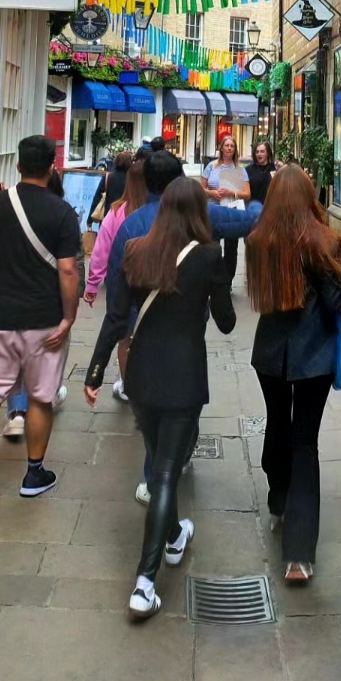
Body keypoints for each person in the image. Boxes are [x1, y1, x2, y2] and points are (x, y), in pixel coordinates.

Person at [83, 178, 235, 621]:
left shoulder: (137, 250)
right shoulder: (208, 256)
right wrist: (220, 276)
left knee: (158, 462)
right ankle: (144, 583)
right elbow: (226, 322)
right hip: (184, 376)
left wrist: (96, 371)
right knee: (165, 475)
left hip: (142, 377)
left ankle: (174, 535)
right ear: (199, 212)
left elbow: (116, 319)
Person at [94, 150, 259, 503]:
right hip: (187, 332)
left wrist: (104, 356)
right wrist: (262, 203)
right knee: (182, 399)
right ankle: (175, 459)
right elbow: (246, 222)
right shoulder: (200, 218)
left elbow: (116, 286)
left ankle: (157, 474)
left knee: (154, 416)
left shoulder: (131, 225)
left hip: (144, 332)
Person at [0, 135, 83, 518]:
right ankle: (33, 473)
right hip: (44, 321)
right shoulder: (62, 213)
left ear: (17, 165)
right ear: (51, 167)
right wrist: (68, 316)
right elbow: (67, 270)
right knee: (41, 398)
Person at [246, 165, 341, 585]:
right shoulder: (325, 242)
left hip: (271, 354)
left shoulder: (258, 240)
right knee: (304, 441)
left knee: (277, 421)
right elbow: (338, 305)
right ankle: (298, 555)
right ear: (309, 196)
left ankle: (278, 496)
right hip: (313, 359)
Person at [3, 164, 72, 440]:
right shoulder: (63, 214)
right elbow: (71, 266)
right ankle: (44, 399)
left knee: (17, 360)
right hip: (49, 301)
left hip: (12, 297)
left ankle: (17, 414)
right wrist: (72, 304)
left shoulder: (8, 209)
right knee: (46, 355)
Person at [84, 159, 149, 403]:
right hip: (151, 282)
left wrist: (92, 284)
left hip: (121, 283)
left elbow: (101, 251)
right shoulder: (160, 212)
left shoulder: (116, 211)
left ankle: (128, 386)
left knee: (125, 338)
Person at [203, 135, 250, 280]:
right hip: (213, 212)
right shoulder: (211, 166)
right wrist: (212, 193)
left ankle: (228, 280)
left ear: (235, 149)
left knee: (231, 249)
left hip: (231, 213)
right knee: (212, 247)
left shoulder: (240, 170)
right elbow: (200, 189)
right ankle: (212, 278)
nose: (229, 148)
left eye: (232, 146)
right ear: (221, 148)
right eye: (227, 145)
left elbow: (247, 194)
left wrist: (232, 193)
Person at [88, 150, 130, 226]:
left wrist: (89, 220)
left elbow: (97, 197)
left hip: (107, 216)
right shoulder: (131, 180)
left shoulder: (108, 177)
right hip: (125, 217)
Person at [246, 140, 276, 206]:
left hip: (270, 206)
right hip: (253, 206)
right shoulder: (249, 169)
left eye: (262, 151)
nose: (259, 154)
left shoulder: (274, 168)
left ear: (267, 153)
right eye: (257, 152)